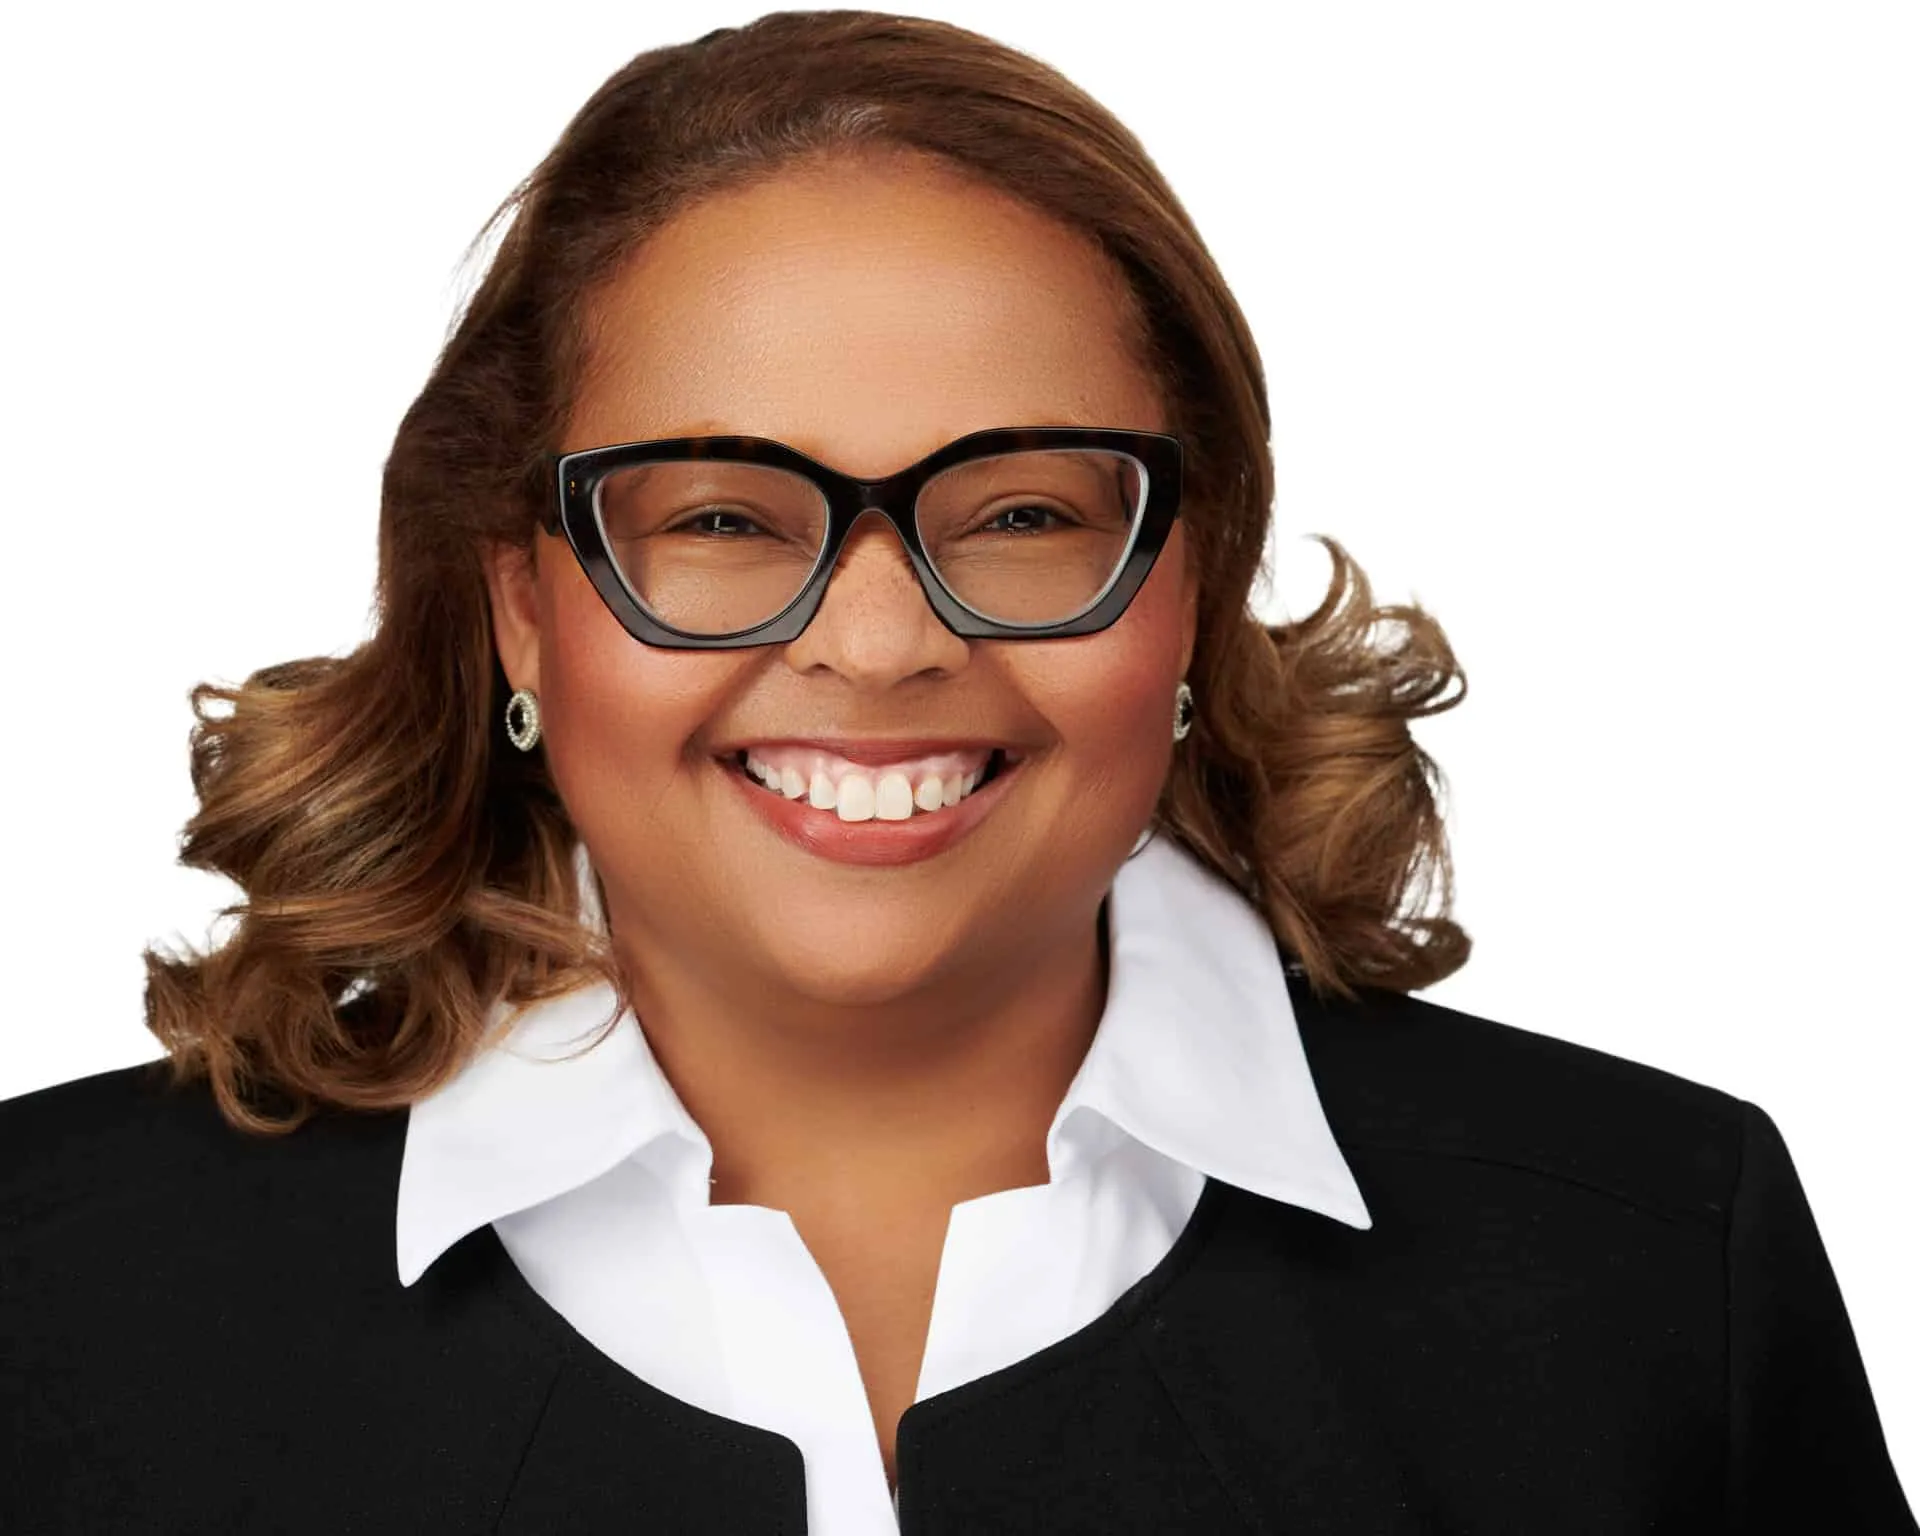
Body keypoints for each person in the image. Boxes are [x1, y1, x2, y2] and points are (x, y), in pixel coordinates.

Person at [1, 10, 1912, 1533]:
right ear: (521, 606)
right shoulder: (51, 1292)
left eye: (1013, 511)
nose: (885, 639)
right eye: (729, 517)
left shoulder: (1651, 1262)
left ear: (1193, 576)